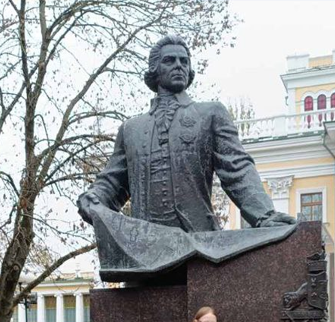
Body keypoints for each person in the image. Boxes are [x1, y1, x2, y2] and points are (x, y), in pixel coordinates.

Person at [76, 35, 295, 281]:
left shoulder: (210, 114)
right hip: (145, 251)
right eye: (170, 60)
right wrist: (94, 198)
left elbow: (237, 168)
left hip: (199, 246)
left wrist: (264, 215)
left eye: (184, 61)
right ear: (154, 70)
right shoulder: (131, 129)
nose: (179, 65)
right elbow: (112, 182)